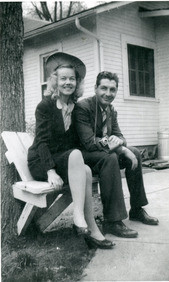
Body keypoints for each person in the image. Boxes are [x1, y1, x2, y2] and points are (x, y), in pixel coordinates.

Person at [27, 53, 115, 249]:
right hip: (41, 162)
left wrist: (104, 142)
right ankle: (78, 216)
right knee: (76, 156)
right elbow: (41, 141)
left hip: (61, 160)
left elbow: (75, 142)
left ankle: (92, 229)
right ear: (55, 81)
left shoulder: (75, 108)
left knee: (86, 170)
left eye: (72, 79)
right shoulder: (45, 106)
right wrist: (50, 170)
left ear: (77, 82)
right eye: (63, 78)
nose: (68, 82)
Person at [74, 71, 159, 238]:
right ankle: (112, 221)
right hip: (82, 157)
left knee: (134, 152)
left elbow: (121, 137)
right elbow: (89, 142)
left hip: (101, 152)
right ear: (95, 88)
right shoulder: (83, 107)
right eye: (103, 88)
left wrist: (121, 144)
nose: (108, 93)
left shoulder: (111, 110)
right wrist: (120, 148)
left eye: (112, 89)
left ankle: (136, 209)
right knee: (112, 157)